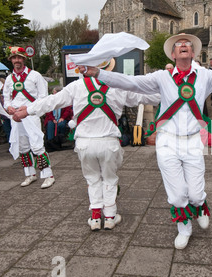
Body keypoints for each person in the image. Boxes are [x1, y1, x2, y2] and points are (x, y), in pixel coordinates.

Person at [78, 33, 212, 249]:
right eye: (178, 44)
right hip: (167, 142)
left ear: (193, 53)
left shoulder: (206, 76)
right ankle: (184, 228)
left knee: (196, 193)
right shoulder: (161, 77)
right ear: (173, 54)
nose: (183, 45)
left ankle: (199, 205)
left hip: (192, 142)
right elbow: (131, 83)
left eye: (187, 44)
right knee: (178, 194)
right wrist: (98, 72)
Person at [13, 58, 161, 231]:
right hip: (108, 143)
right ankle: (111, 216)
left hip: (85, 144)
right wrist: (176, 93)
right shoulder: (118, 87)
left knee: (92, 179)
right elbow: (149, 96)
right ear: (108, 69)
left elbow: (52, 101)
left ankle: (96, 217)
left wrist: (27, 110)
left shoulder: (76, 86)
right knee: (109, 179)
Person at [3, 46, 55, 189]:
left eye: (19, 57)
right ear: (11, 60)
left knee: (37, 145)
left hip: (30, 115)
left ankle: (48, 175)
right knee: (23, 147)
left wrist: (28, 108)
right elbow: (6, 99)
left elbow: (43, 97)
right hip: (16, 118)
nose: (17, 60)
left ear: (24, 59)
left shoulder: (35, 75)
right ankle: (30, 174)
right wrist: (9, 107)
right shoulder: (9, 79)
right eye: (14, 58)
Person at [44, 86, 73, 151]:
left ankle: (60, 141)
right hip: (52, 118)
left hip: (61, 118)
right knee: (50, 125)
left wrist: (62, 118)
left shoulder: (65, 100)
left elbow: (67, 110)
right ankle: (50, 142)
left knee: (61, 125)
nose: (53, 94)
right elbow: (47, 111)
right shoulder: (50, 100)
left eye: (54, 92)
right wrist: (52, 119)